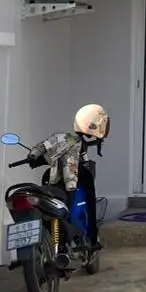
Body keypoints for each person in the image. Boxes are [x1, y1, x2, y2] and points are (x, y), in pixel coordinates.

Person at [33, 103, 108, 250]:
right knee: (81, 204)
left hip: (56, 179)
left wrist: (34, 156)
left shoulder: (63, 137)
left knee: (67, 206)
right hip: (70, 181)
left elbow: (44, 147)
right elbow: (47, 148)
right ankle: (89, 239)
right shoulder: (71, 140)